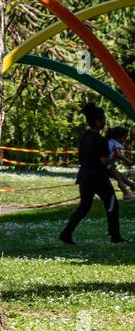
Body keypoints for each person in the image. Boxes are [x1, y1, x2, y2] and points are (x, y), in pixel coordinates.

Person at [61, 104, 125, 244]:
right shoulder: (100, 140)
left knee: (83, 207)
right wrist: (114, 154)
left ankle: (66, 234)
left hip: (84, 176)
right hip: (98, 178)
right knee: (112, 204)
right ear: (97, 122)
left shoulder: (84, 136)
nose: (104, 123)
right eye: (103, 120)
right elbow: (104, 161)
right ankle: (115, 237)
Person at [105, 126, 135, 201]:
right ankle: (126, 194)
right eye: (124, 138)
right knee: (119, 178)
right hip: (108, 165)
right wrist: (127, 161)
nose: (125, 140)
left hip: (104, 165)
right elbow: (118, 154)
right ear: (119, 137)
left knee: (121, 177)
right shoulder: (116, 143)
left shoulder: (109, 141)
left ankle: (132, 186)